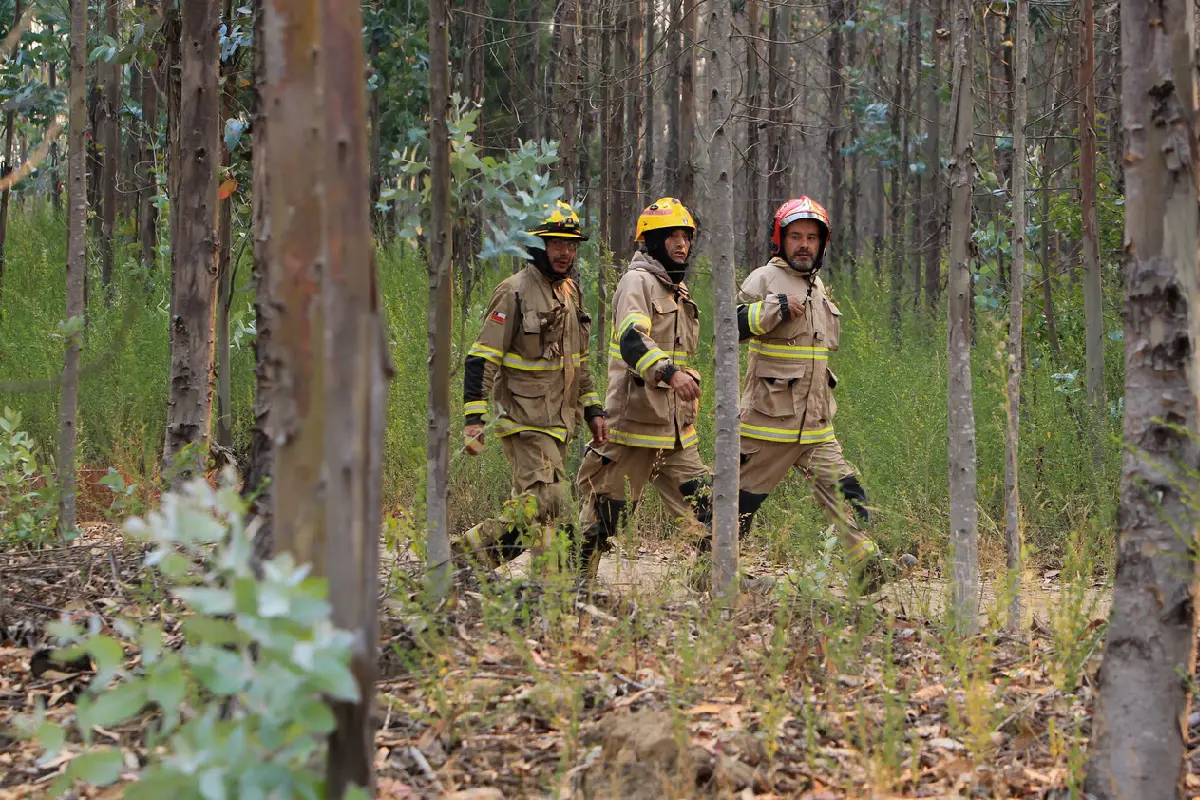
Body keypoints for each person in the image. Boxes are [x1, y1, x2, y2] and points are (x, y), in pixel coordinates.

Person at [735, 197, 893, 593]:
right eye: (795, 237)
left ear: (822, 244)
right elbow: (731, 325)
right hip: (766, 424)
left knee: (848, 491)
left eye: (811, 238)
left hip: (815, 425)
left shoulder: (818, 286)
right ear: (780, 240)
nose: (804, 245)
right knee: (738, 506)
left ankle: (865, 566)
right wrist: (774, 311)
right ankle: (712, 571)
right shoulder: (763, 280)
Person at [456, 202, 608, 573]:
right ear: (536, 245)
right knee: (548, 500)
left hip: (558, 422)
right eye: (556, 244)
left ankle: (466, 567)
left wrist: (593, 409)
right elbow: (481, 358)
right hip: (524, 420)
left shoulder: (570, 294)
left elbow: (579, 361)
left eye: (571, 245)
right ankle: (539, 585)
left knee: (531, 515)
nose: (565, 252)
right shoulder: (514, 292)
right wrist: (474, 420)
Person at [574, 197, 712, 584]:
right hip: (633, 427)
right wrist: (670, 373)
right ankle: (572, 587)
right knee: (605, 518)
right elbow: (632, 341)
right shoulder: (637, 282)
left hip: (675, 434)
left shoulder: (678, 291)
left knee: (710, 510)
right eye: (671, 236)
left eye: (686, 236)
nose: (682, 244)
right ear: (651, 242)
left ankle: (714, 585)